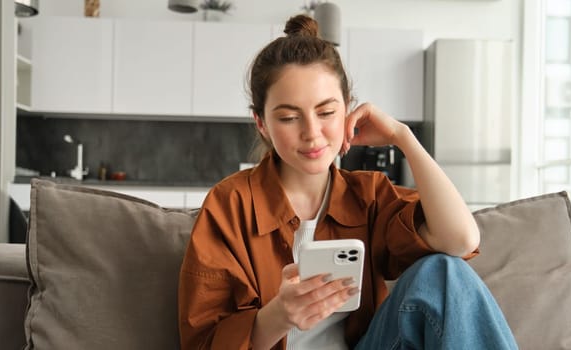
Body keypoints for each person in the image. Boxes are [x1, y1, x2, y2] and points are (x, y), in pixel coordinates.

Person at [178, 15, 518, 350]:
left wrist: (403, 138)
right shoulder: (228, 205)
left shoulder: (368, 196)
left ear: (347, 111)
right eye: (288, 117)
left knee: (443, 271)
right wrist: (277, 316)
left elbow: (459, 240)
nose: (312, 133)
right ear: (262, 123)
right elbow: (202, 343)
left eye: (326, 113)